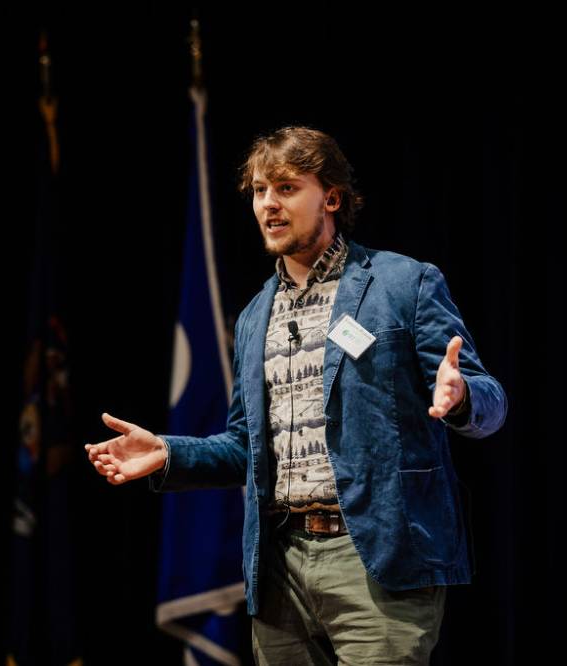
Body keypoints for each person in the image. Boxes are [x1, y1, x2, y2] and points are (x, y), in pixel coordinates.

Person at [85, 126, 507, 665]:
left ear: (331, 197)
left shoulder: (404, 283)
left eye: (286, 188)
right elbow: (245, 445)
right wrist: (169, 453)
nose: (269, 204)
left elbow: (491, 402)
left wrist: (462, 393)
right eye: (260, 191)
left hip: (377, 557)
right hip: (279, 566)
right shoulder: (255, 316)